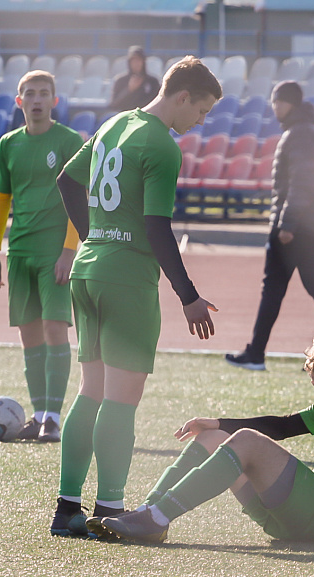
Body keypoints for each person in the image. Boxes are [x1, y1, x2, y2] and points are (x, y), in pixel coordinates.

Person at [48, 55, 222, 537]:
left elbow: (66, 179)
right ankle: (108, 510)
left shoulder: (114, 123)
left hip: (89, 271)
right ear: (183, 96)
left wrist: (92, 238)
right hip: (127, 279)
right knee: (121, 401)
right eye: (202, 111)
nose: (200, 123)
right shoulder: (163, 148)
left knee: (91, 392)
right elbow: (156, 226)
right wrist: (187, 294)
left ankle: (67, 509)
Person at [96, 326, 314, 543]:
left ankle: (157, 517)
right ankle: (149, 514)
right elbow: (285, 426)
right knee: (213, 436)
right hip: (296, 512)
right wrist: (219, 422)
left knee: (247, 442)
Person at [0, 70, 84, 443]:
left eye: (44, 93)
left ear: (54, 101)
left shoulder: (68, 140)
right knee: (29, 335)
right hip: (20, 250)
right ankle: (39, 413)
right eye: (30, 93)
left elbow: (80, 196)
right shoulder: (9, 143)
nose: (37, 99)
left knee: (54, 328)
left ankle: (54, 419)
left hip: (54, 252)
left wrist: (68, 250)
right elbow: (2, 199)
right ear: (19, 101)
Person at [225, 81, 314, 371]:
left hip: (294, 229)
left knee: (279, 289)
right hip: (308, 226)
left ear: (291, 104)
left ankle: (256, 354)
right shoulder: (303, 131)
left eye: (279, 101)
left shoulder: (298, 134)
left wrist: (286, 225)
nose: (275, 106)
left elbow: (301, 183)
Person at [108, 45, 161, 112]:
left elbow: (157, 103)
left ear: (143, 62)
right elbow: (113, 105)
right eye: (133, 60)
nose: (136, 63)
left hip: (146, 117)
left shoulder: (153, 81)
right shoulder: (120, 80)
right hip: (126, 118)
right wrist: (129, 90)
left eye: (138, 60)